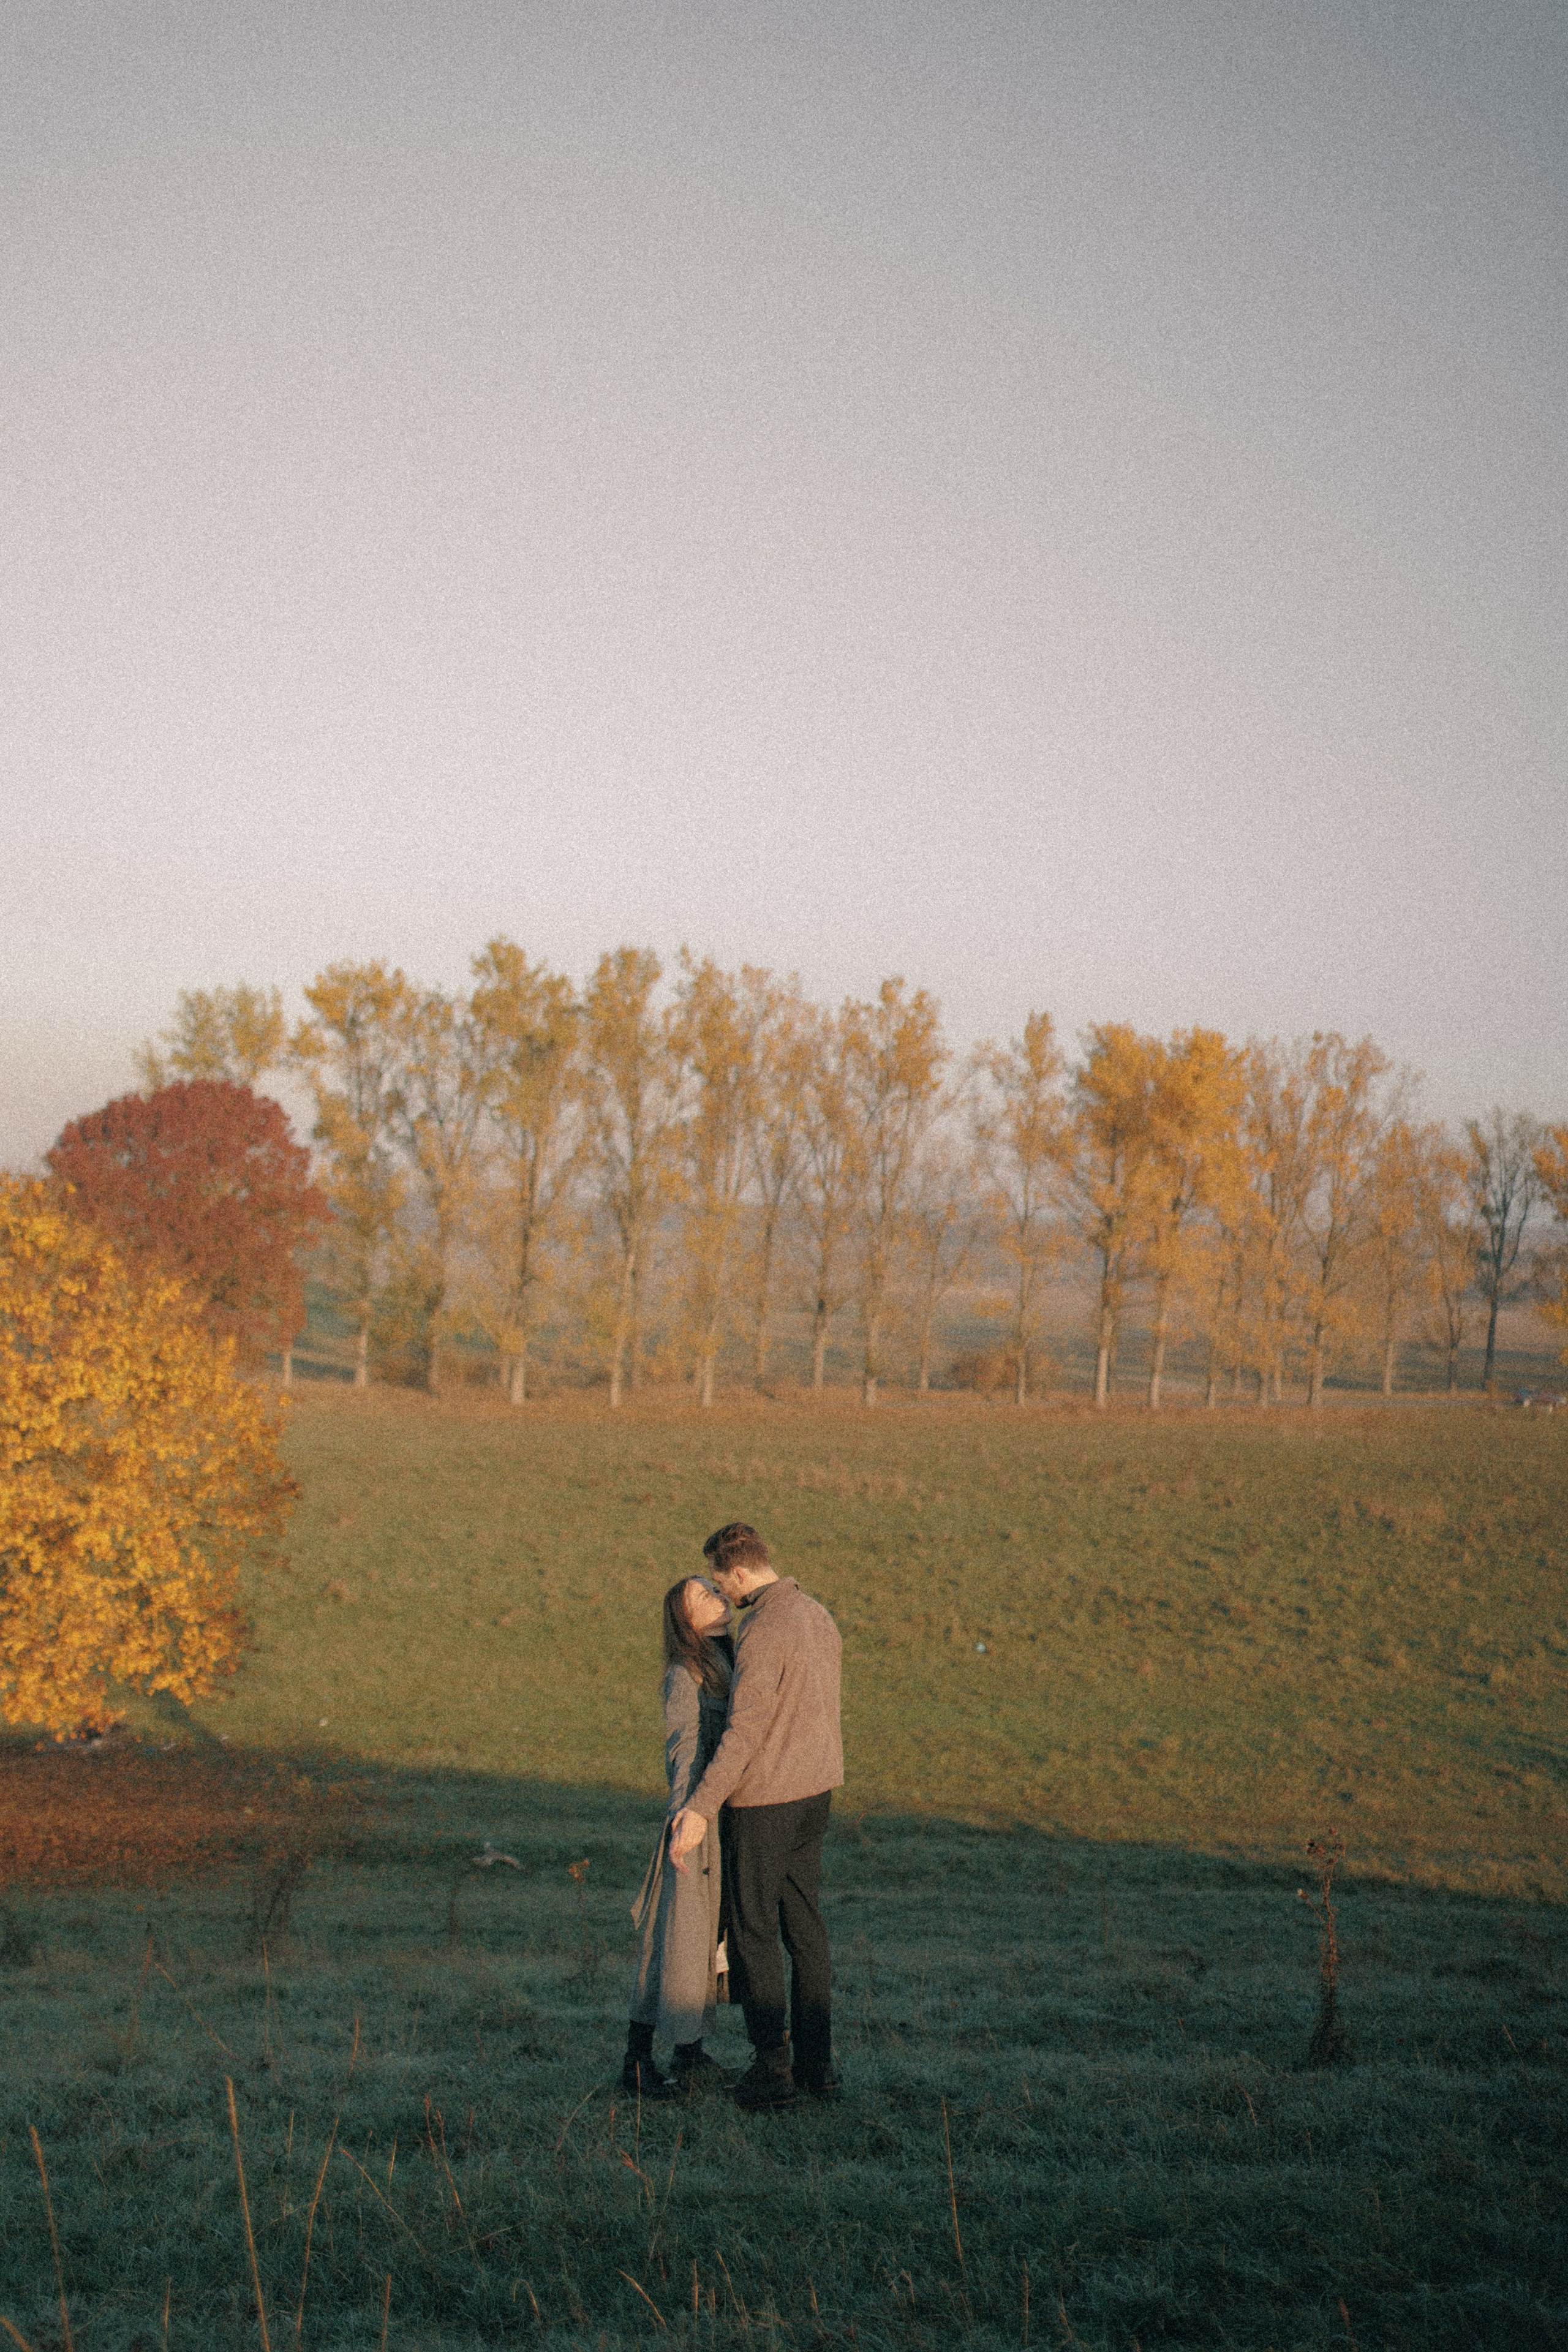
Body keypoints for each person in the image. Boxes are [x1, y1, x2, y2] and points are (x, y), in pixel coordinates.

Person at [669, 1523, 843, 2111]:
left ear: (738, 1572)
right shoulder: (818, 1615)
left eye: (721, 1583)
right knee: (806, 1928)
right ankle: (818, 2066)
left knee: (753, 1931)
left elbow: (744, 1733)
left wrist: (699, 1806)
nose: (723, 1595)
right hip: (816, 1794)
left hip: (766, 1801)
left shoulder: (763, 1631)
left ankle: (773, 2071)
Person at [623, 1575, 734, 2100]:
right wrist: (684, 1822)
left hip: (722, 1820)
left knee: (706, 1942)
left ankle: (689, 2053)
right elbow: (683, 1751)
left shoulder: (725, 1661)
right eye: (704, 1597)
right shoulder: (685, 1673)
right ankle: (637, 2063)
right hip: (695, 1825)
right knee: (672, 1941)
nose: (719, 1598)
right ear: (685, 1622)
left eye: (716, 1588)